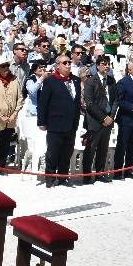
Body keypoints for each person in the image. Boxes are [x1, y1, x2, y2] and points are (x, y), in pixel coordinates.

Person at [37, 54, 80, 187]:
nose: (68, 65)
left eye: (69, 62)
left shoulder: (76, 80)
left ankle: (63, 177)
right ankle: (50, 178)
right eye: (64, 63)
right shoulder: (51, 81)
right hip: (55, 123)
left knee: (67, 152)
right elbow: (43, 103)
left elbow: (77, 102)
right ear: (57, 66)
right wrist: (42, 122)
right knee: (53, 152)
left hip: (71, 123)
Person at [81, 55, 116, 183]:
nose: (106, 66)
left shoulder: (112, 81)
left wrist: (111, 116)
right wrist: (103, 118)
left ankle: (100, 173)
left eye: (108, 64)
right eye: (103, 63)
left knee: (103, 147)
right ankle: (87, 175)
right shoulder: (90, 81)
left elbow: (115, 100)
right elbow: (89, 104)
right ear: (97, 65)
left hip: (108, 120)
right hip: (94, 120)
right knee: (91, 148)